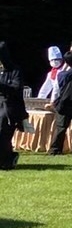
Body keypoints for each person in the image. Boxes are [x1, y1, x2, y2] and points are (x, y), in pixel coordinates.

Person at [0, 41, 26, 170]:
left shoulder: (15, 70)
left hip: (9, 104)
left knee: (2, 127)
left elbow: (16, 88)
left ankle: (8, 158)